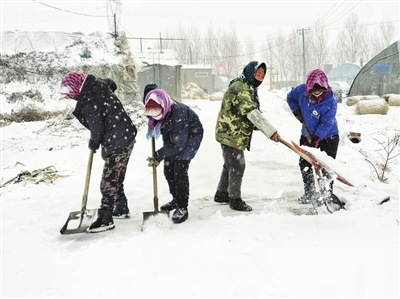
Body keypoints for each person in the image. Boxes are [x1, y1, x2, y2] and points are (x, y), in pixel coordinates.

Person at [60, 72, 137, 233]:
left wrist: (93, 144)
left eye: (71, 93)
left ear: (77, 88)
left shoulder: (89, 100)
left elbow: (97, 128)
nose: (71, 97)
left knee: (108, 181)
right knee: (116, 175)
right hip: (126, 134)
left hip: (118, 139)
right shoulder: (96, 85)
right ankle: (121, 207)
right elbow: (111, 83)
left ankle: (106, 218)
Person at [214, 61, 280, 212]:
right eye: (257, 74)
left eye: (262, 75)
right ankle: (234, 199)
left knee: (230, 164)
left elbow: (248, 114)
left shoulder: (247, 87)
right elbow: (251, 112)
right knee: (237, 165)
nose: (260, 78)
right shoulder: (241, 87)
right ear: (250, 73)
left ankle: (222, 193)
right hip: (230, 133)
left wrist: (262, 127)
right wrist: (270, 131)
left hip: (230, 132)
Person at [144, 88, 203, 224]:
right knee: (168, 170)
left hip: (190, 137)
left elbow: (178, 145)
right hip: (174, 138)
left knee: (179, 171)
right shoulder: (157, 104)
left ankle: (182, 206)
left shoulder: (178, 116)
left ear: (163, 107)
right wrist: (153, 123)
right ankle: (176, 199)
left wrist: (158, 155)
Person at [286, 69, 339, 204]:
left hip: (328, 137)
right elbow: (290, 98)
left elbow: (327, 122)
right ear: (309, 87)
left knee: (327, 167)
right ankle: (309, 192)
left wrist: (317, 138)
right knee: (305, 163)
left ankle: (326, 194)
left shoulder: (330, 100)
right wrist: (297, 112)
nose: (317, 92)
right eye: (314, 90)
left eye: (320, 90)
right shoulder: (300, 91)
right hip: (307, 133)